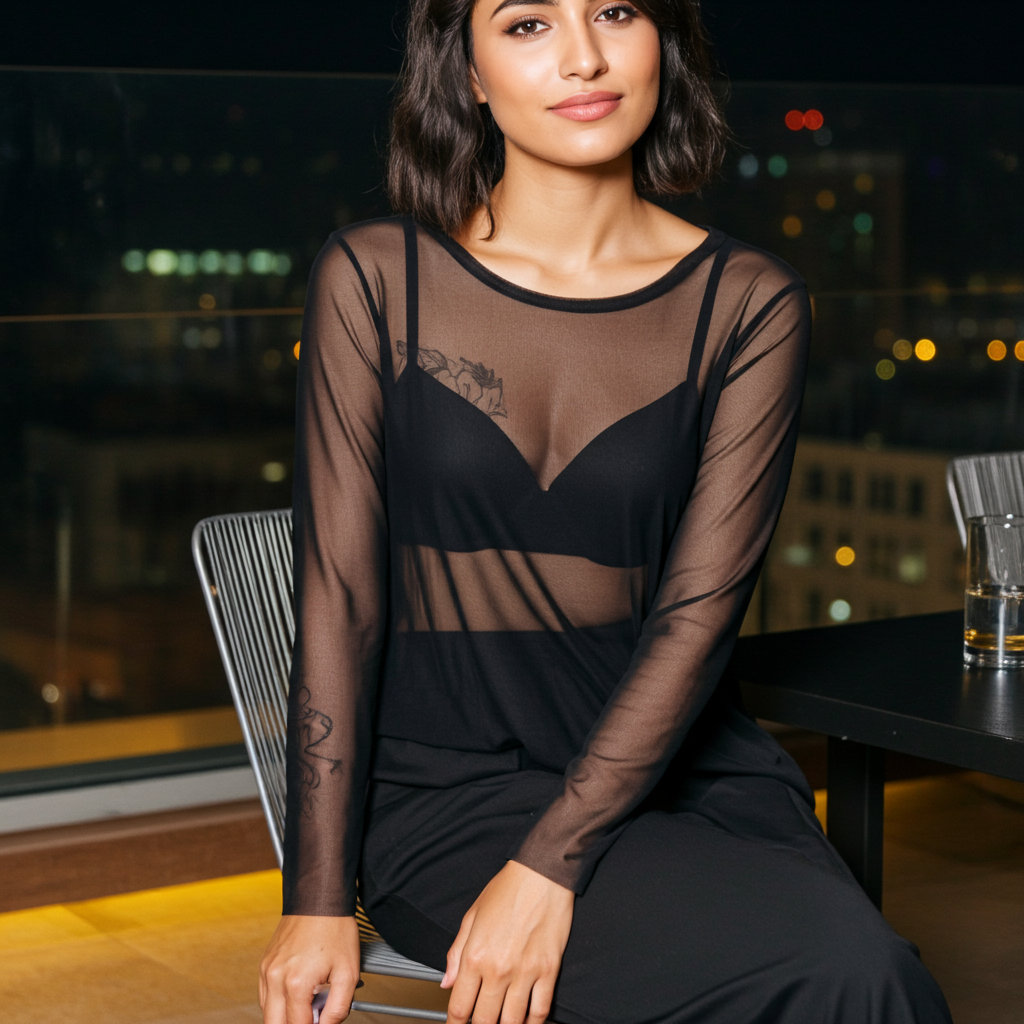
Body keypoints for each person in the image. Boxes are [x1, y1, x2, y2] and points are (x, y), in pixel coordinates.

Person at [260, 1, 953, 1022]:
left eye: (615, 12)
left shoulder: (748, 302)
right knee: (846, 970)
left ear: (662, 46)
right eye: (529, 24)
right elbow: (338, 596)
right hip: (448, 794)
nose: (583, 56)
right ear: (470, 74)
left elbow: (697, 618)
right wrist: (313, 898)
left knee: (851, 963)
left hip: (681, 771)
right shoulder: (373, 276)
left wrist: (550, 865)